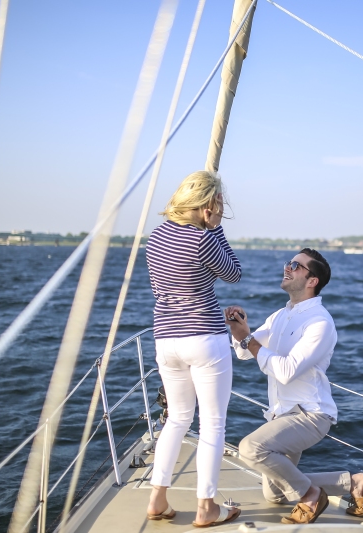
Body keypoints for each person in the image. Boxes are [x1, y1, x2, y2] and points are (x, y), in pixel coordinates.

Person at [224, 248, 363, 525]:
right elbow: (243, 350)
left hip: (310, 415)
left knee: (250, 448)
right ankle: (357, 481)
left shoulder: (320, 322)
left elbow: (284, 371)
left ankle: (311, 494)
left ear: (312, 281)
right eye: (289, 263)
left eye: (296, 266)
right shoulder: (280, 316)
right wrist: (241, 330)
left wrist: (247, 340)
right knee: (274, 495)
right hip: (282, 414)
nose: (287, 268)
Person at [145, 170, 242, 527]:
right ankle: (206, 508)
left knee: (177, 419)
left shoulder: (154, 239)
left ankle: (157, 499)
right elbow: (233, 272)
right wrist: (215, 228)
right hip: (204, 337)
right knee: (212, 424)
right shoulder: (202, 240)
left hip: (166, 339)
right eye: (218, 204)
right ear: (206, 205)